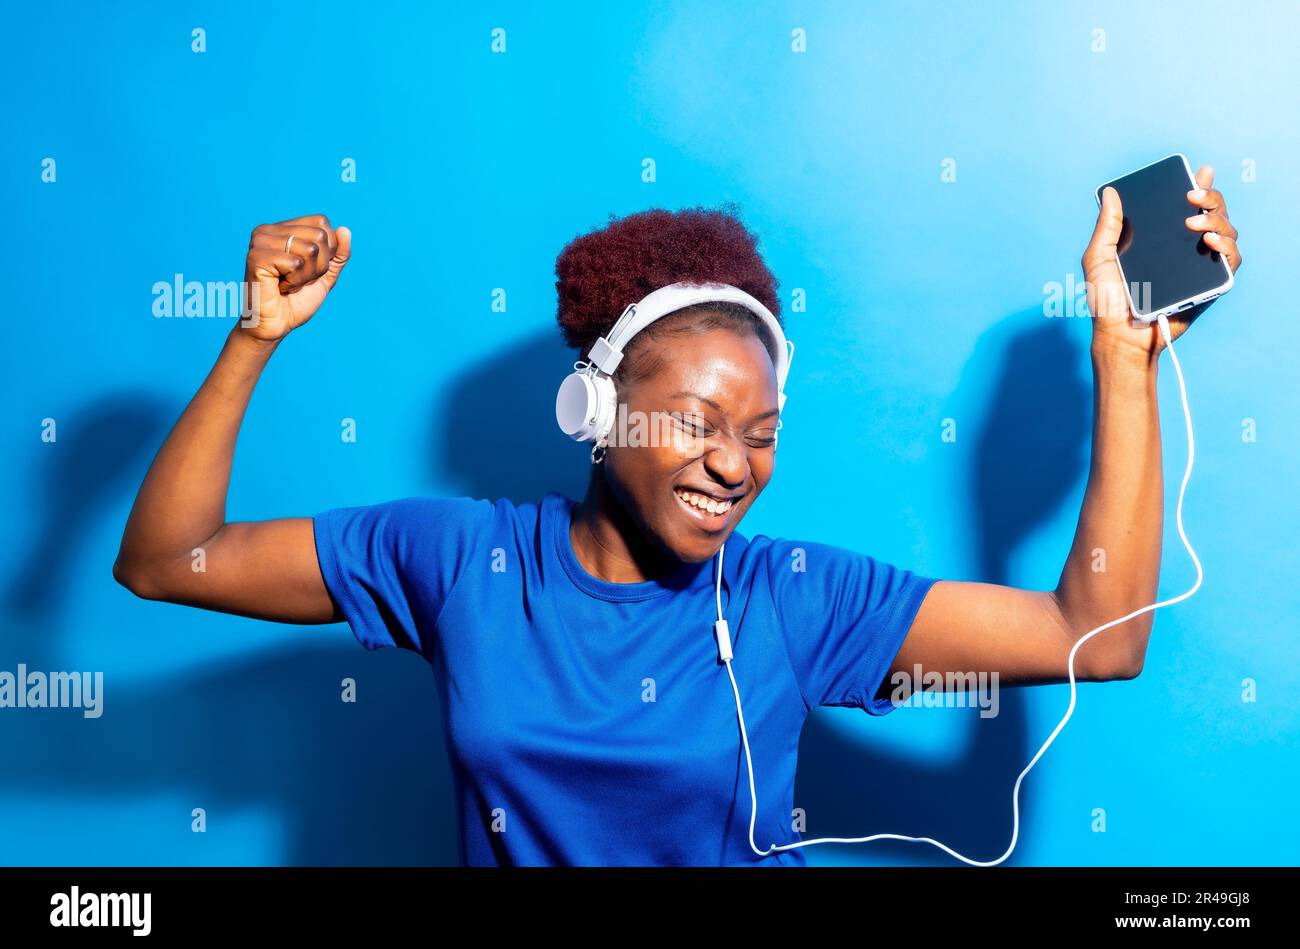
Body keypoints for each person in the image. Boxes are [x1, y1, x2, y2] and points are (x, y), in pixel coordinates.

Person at [113, 177, 1242, 865]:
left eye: (761, 430)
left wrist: (1122, 352)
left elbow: (1102, 632)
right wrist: (252, 336)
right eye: (697, 420)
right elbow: (169, 560)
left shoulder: (791, 596)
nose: (731, 463)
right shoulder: (460, 560)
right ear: (592, 411)